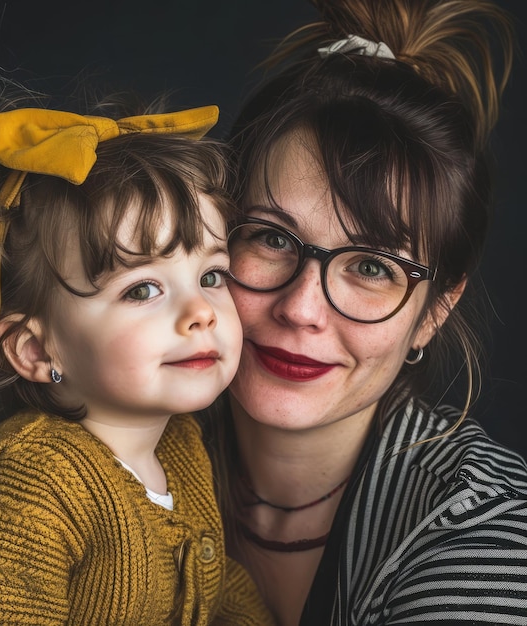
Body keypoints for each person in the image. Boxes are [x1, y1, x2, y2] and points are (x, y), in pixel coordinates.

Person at [199, 0, 527, 624]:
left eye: (373, 267)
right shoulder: (114, 444)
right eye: (271, 237)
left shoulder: (487, 532)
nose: (301, 308)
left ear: (433, 313)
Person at [0, 77, 275, 625]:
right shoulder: (35, 484)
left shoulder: (180, 447)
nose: (201, 311)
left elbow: (220, 587)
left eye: (212, 274)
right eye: (142, 289)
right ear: (34, 350)